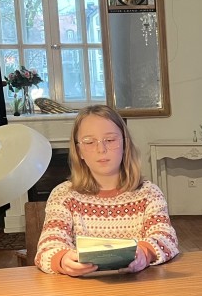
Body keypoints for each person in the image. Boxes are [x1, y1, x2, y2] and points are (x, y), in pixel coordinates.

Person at [35, 105, 179, 276]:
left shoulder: (149, 193)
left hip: (138, 287)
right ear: (79, 151)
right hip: (83, 289)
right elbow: (48, 246)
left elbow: (166, 238)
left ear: (125, 144)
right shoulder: (63, 195)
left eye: (110, 140)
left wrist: (145, 253)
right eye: (89, 142)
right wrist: (63, 260)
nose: (101, 149)